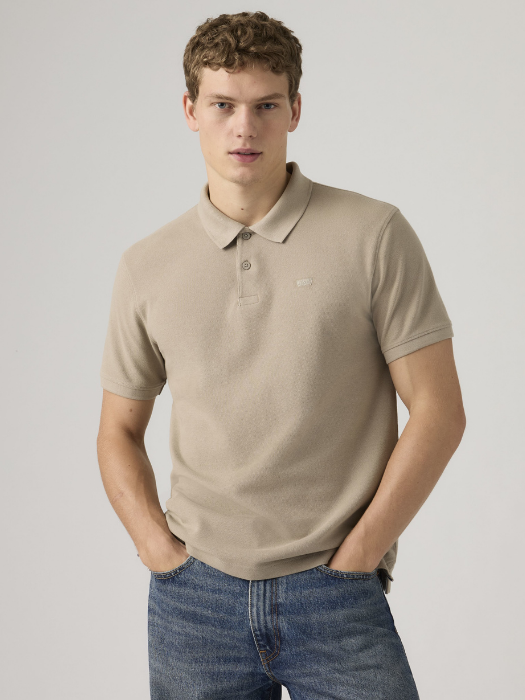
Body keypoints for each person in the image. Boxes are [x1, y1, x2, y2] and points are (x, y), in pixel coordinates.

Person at [97, 10, 466, 699]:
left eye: (266, 105)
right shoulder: (147, 265)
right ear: (190, 111)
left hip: (335, 589)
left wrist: (360, 554)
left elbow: (439, 411)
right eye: (223, 105)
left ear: (295, 110)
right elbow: (118, 428)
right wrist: (157, 548)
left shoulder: (373, 235)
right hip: (194, 600)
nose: (244, 127)